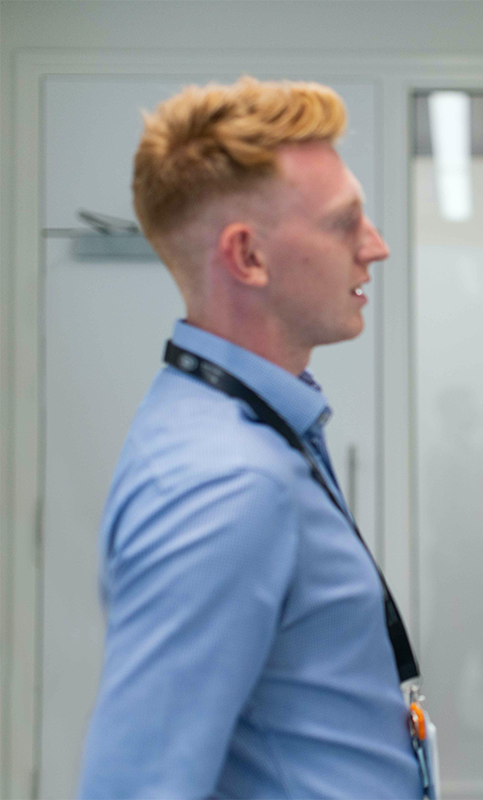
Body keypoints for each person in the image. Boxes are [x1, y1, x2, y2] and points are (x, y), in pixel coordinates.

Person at [78, 78, 428, 799]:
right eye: (345, 222)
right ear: (248, 257)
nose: (377, 247)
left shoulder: (243, 425)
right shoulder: (224, 482)